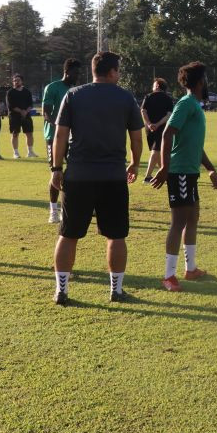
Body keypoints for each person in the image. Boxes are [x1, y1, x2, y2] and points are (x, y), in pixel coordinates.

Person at [50, 52, 144, 305]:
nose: (120, 74)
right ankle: (116, 290)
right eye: (119, 70)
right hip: (113, 177)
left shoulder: (74, 95)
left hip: (78, 176)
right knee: (116, 235)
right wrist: (134, 162)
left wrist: (56, 168)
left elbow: (60, 136)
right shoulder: (125, 97)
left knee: (68, 234)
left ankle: (62, 291)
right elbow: (137, 137)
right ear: (112, 71)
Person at [152, 61, 217, 291]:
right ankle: (168, 276)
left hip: (190, 171)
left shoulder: (194, 105)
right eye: (206, 79)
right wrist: (164, 167)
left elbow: (195, 145)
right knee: (179, 222)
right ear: (200, 81)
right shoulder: (185, 104)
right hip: (179, 171)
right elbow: (167, 134)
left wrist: (210, 169)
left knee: (192, 219)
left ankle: (190, 269)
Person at [41, 58, 82, 223]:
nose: (78, 76)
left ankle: (74, 206)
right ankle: (53, 211)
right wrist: (59, 127)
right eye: (76, 73)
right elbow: (45, 112)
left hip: (73, 138)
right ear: (67, 72)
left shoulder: (77, 90)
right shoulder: (52, 88)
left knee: (76, 172)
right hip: (54, 137)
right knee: (56, 172)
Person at [140, 78, 174, 183]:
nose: (152, 87)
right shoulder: (168, 99)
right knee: (156, 151)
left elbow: (143, 110)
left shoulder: (148, 97)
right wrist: (158, 124)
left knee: (156, 150)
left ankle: (163, 175)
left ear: (158, 86)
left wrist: (149, 124)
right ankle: (148, 176)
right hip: (162, 128)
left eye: (154, 85)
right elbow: (169, 115)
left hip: (149, 129)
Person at [6, 74, 38, 158]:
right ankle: (16, 153)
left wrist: (26, 111)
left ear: (22, 81)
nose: (16, 82)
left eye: (18, 80)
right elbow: (10, 106)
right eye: (14, 80)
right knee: (15, 134)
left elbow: (31, 104)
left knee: (29, 133)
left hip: (26, 115)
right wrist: (21, 111)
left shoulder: (27, 91)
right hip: (14, 116)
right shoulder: (10, 92)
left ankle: (30, 152)